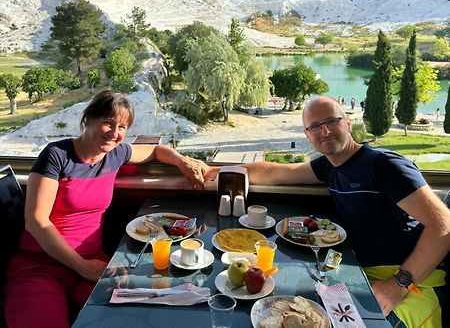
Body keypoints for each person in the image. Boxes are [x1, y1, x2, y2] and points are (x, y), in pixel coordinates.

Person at [206, 96, 450, 327]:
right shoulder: (328, 167)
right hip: (356, 271)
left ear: (348, 123)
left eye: (332, 122)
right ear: (308, 135)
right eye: (315, 127)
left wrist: (397, 285)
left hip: (407, 277)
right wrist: (213, 171)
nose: (325, 131)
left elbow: (444, 226)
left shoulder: (385, 166)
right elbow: (275, 172)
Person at [4, 90, 209, 328]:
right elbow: (37, 221)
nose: (115, 133)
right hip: (42, 267)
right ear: (88, 119)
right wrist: (82, 266)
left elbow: (154, 150)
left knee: (138, 317)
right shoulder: (56, 156)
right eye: (108, 123)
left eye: (122, 127)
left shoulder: (115, 154)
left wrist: (182, 161)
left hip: (96, 264)